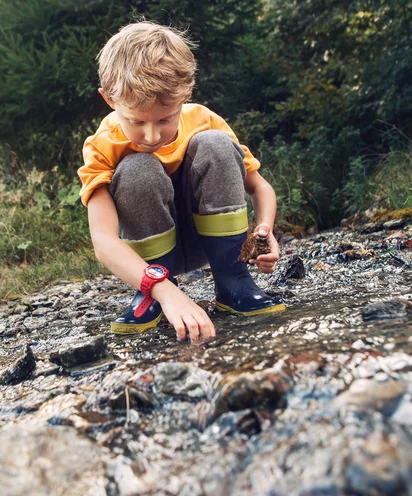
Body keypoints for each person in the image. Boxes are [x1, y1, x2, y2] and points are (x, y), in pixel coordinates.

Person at [78, 21, 285, 343]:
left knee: (215, 143)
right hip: (151, 261)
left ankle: (234, 281)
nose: (151, 135)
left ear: (184, 96)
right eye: (136, 121)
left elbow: (259, 186)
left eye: (165, 119)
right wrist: (161, 290)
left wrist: (264, 229)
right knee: (136, 168)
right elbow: (103, 243)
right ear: (109, 100)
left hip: (215, 244)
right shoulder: (102, 144)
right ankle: (155, 293)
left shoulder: (204, 119)